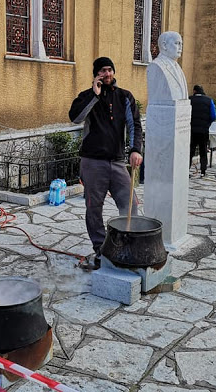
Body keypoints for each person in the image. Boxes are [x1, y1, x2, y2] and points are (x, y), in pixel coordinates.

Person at [69, 57, 143, 270]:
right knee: (94, 208)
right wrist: (94, 94)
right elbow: (75, 118)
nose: (107, 74)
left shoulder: (125, 97)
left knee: (130, 204)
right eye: (103, 71)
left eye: (110, 69)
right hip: (92, 162)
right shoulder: (87, 96)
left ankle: (128, 242)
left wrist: (135, 149)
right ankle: (101, 248)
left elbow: (134, 125)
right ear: (96, 74)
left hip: (118, 162)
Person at [147, 31, 188, 103]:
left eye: (181, 44)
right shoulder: (156, 66)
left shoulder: (178, 67)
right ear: (164, 45)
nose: (181, 47)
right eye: (177, 43)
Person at [189, 85, 216, 177]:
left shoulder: (189, 100)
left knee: (190, 150)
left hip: (191, 130)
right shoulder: (209, 100)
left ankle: (185, 170)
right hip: (204, 130)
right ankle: (203, 171)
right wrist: (207, 123)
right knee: (203, 151)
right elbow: (213, 116)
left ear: (194, 91)